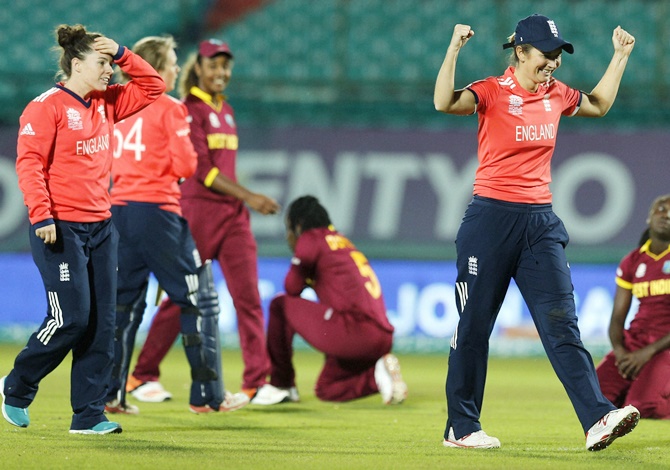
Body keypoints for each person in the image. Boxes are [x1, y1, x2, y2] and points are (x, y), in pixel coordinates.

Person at [433, 14, 638, 451]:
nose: (553, 63)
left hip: (540, 223)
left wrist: (619, 57)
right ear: (521, 51)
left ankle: (598, 418)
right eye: (546, 54)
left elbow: (599, 105)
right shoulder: (490, 91)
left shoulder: (557, 95)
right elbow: (444, 103)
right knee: (473, 326)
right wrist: (453, 51)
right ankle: (461, 426)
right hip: (490, 221)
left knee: (562, 323)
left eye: (558, 55)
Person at [0, 24, 165, 434]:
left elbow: (153, 86)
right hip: (60, 228)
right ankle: (16, 385)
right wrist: (41, 215)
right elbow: (30, 164)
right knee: (71, 318)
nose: (110, 71)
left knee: (102, 325)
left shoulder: (107, 103)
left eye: (111, 63)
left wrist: (124, 53)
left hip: (101, 227)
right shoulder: (46, 106)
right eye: (102, 62)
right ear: (76, 64)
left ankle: (88, 415)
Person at [126, 39, 289, 406]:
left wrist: (242, 202)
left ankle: (255, 383)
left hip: (232, 217)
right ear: (197, 67)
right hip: (198, 212)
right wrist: (250, 196)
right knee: (181, 296)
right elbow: (202, 172)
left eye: (225, 66)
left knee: (248, 298)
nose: (221, 72)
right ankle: (142, 375)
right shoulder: (188, 110)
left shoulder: (225, 110)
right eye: (213, 65)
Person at [104, 35, 249, 415]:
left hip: (119, 211)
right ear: (154, 69)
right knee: (199, 300)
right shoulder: (170, 108)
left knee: (122, 307)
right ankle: (209, 396)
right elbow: (187, 167)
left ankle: (109, 395)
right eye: (170, 63)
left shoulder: (115, 103)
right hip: (159, 213)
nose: (175, 70)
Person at [265, 195, 407, 404]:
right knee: (327, 388)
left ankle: (281, 384)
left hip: (356, 330)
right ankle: (377, 377)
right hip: (381, 336)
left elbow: (291, 288)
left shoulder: (311, 237)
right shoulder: (341, 241)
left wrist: (299, 257)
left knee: (279, 305)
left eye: (289, 229)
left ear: (298, 225)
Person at [596, 194, 670, 419]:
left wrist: (646, 354)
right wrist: (620, 352)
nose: (665, 215)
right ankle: (639, 388)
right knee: (593, 396)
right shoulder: (633, 261)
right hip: (634, 343)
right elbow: (617, 318)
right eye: (660, 209)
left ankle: (645, 393)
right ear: (648, 217)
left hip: (664, 346)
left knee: (643, 406)